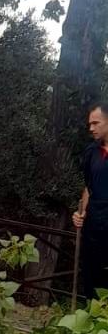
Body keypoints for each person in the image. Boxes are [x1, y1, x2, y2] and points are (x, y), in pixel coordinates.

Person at [73, 102, 108, 299]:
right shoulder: (91, 153)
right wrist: (81, 213)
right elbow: (89, 187)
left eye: (96, 123)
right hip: (94, 225)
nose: (91, 128)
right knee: (92, 281)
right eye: (89, 124)